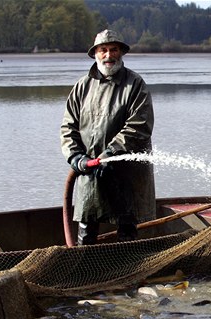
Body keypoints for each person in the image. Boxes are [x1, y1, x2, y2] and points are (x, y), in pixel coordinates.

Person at [60, 29, 156, 245]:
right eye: (103, 50)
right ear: (95, 54)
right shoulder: (82, 86)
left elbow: (139, 126)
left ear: (121, 53)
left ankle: (129, 274)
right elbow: (68, 127)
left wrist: (111, 153)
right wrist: (75, 157)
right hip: (90, 172)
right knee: (86, 228)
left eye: (113, 50)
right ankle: (86, 272)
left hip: (126, 173)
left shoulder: (135, 84)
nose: (108, 55)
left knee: (127, 229)